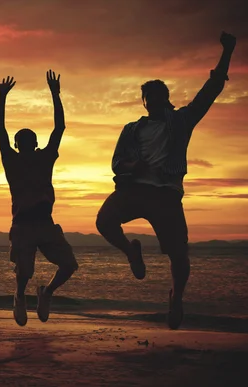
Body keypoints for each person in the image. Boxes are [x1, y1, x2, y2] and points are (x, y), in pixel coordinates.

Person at [95, 32, 236, 330]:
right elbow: (117, 162)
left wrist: (228, 51)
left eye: (160, 96)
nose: (154, 101)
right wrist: (135, 164)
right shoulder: (132, 129)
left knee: (178, 255)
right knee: (104, 221)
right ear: (145, 102)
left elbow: (211, 89)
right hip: (133, 189)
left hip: (166, 194)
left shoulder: (182, 121)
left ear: (166, 98)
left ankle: (177, 298)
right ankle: (132, 250)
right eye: (149, 97)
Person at [0, 71, 79, 327]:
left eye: (30, 139)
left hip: (45, 223)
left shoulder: (45, 157)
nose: (26, 142)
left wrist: (55, 94)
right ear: (17, 144)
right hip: (22, 225)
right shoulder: (11, 160)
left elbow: (60, 127)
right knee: (25, 273)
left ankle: (47, 293)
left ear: (36, 142)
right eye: (22, 140)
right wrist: (2, 98)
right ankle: (20, 296)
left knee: (69, 265)